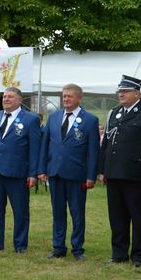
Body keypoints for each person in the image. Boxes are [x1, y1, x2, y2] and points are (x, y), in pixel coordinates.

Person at [98, 75, 141, 267]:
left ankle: (139, 256)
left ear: (137, 93)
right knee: (117, 216)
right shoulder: (115, 112)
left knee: (138, 217)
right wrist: (102, 169)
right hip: (114, 172)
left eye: (125, 91)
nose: (121, 94)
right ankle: (119, 253)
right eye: (120, 91)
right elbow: (106, 142)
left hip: (135, 175)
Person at [38, 83, 100, 261]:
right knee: (58, 212)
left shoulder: (90, 120)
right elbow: (45, 145)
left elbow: (93, 151)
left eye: (69, 96)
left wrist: (91, 176)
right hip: (55, 173)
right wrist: (42, 169)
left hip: (77, 174)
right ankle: (58, 247)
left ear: (79, 98)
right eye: (64, 96)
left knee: (77, 213)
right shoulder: (54, 117)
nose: (66, 99)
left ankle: (77, 248)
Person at [0, 87, 41, 253]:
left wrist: (33, 174)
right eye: (5, 96)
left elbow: (35, 150)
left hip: (18, 173)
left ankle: (20, 245)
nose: (6, 99)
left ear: (19, 100)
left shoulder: (31, 119)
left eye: (10, 97)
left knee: (20, 211)